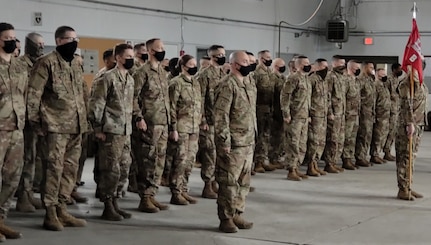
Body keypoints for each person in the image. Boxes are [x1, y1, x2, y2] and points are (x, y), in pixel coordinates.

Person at [27, 25, 87, 231]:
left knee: (70, 170)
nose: (74, 42)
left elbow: (82, 91)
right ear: (59, 40)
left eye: (76, 38)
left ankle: (62, 208)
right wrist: (36, 123)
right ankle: (50, 212)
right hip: (54, 127)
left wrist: (85, 119)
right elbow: (33, 95)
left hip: (76, 126)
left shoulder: (78, 62)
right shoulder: (46, 63)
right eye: (70, 38)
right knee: (54, 170)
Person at [88, 43, 135, 221]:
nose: (131, 60)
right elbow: (96, 104)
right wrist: (97, 128)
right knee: (110, 169)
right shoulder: (107, 78)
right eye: (127, 57)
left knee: (123, 168)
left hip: (125, 130)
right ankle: (107, 204)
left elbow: (131, 104)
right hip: (110, 131)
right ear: (118, 58)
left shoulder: (130, 79)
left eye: (132, 56)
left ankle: (115, 201)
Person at [214, 51, 255, 233]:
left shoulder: (249, 83)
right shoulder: (226, 85)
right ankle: (226, 218)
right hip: (233, 142)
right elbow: (221, 116)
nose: (248, 64)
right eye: (245, 61)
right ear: (235, 64)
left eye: (249, 61)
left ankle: (238, 212)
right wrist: (224, 141)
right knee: (228, 183)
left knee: (243, 182)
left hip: (248, 141)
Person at [132, 38, 170, 213]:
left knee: (159, 162)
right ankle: (144, 198)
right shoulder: (142, 72)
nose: (162, 50)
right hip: (149, 124)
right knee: (147, 161)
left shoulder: (162, 72)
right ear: (151, 51)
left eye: (163, 47)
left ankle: (152, 194)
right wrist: (138, 117)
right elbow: (133, 97)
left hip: (163, 123)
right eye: (159, 48)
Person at [0, 22, 28, 241]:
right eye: (7, 38)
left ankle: (0, 220)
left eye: (13, 37)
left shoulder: (19, 66)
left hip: (17, 129)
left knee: (12, 177)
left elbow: (25, 95)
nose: (11, 41)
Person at [16, 32, 45, 213]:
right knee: (26, 158)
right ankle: (22, 197)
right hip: (23, 118)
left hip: (37, 119)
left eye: (43, 44)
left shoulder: (40, 64)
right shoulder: (20, 64)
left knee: (34, 158)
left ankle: (27, 193)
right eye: (39, 44)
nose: (41, 47)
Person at [168, 55, 201, 205]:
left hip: (194, 127)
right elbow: (172, 107)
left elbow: (199, 105)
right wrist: (173, 128)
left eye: (195, 64)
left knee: (190, 161)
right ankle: (175, 192)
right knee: (180, 161)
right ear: (183, 66)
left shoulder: (195, 83)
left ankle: (184, 189)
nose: (194, 67)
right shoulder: (176, 83)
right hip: (181, 128)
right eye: (191, 64)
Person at [196, 44, 227, 199]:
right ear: (212, 56)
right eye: (219, 55)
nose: (222, 56)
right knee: (209, 153)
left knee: (220, 153)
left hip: (221, 121)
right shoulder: (204, 75)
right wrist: (202, 120)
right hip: (209, 120)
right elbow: (199, 99)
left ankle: (215, 181)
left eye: (223, 54)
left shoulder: (224, 74)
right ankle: (207, 185)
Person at [395, 66, 426, 200]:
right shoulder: (406, 85)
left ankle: (409, 186)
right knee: (405, 157)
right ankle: (403, 189)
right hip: (407, 127)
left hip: (418, 125)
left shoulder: (420, 83)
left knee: (411, 158)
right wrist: (409, 123)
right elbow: (406, 105)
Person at [280, 56, 311, 181]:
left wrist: (308, 115)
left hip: (304, 117)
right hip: (294, 117)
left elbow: (307, 100)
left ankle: (297, 168)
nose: (308, 65)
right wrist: (286, 114)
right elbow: (285, 97)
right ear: (298, 65)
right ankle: (291, 170)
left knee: (302, 145)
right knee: (293, 144)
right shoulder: (293, 78)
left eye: (308, 63)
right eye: (305, 63)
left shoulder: (307, 79)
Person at [92, 48, 116, 199]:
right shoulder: (102, 76)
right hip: (105, 124)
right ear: (106, 60)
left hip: (115, 125)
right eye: (114, 59)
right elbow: (97, 103)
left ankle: (108, 192)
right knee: (103, 161)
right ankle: (101, 189)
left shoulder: (116, 76)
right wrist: (98, 128)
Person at [303, 58, 329, 177]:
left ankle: (315, 164)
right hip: (314, 115)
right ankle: (310, 165)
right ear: (317, 67)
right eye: (324, 66)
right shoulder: (311, 80)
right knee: (313, 141)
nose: (326, 69)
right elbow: (307, 99)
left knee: (320, 142)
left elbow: (326, 99)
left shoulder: (324, 81)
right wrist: (308, 114)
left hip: (322, 115)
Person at [253, 50, 278, 173]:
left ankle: (263, 160)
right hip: (260, 108)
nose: (270, 59)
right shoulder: (256, 73)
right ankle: (257, 162)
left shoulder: (270, 72)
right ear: (261, 58)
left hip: (269, 108)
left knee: (266, 136)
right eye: (267, 57)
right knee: (260, 136)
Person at [323, 55, 347, 173]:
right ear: (334, 64)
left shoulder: (342, 77)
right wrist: (330, 112)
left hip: (341, 113)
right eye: (340, 63)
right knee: (332, 139)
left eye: (344, 63)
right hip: (334, 114)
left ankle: (334, 161)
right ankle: (329, 163)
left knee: (340, 139)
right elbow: (327, 96)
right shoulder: (330, 77)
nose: (343, 65)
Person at [355, 61, 376, 167]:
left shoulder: (370, 81)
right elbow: (357, 97)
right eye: (370, 67)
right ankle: (360, 157)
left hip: (370, 112)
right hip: (363, 112)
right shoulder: (360, 81)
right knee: (363, 135)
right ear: (364, 68)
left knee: (368, 135)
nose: (372, 69)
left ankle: (363, 155)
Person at [341, 60, 361, 170]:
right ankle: (345, 159)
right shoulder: (346, 80)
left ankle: (350, 157)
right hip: (348, 114)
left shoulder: (356, 81)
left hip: (355, 114)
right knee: (347, 137)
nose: (358, 69)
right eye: (357, 67)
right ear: (351, 68)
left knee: (353, 138)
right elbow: (342, 98)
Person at [369, 68, 391, 164]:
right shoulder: (375, 86)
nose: (384, 76)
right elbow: (373, 102)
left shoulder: (384, 86)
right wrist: (374, 115)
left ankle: (378, 153)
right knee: (378, 136)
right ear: (377, 75)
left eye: (385, 74)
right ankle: (374, 155)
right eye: (382, 75)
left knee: (383, 135)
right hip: (379, 115)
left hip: (386, 115)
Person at [269, 57, 287, 170]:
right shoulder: (272, 78)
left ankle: (276, 158)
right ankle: (272, 158)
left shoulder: (283, 78)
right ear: (276, 66)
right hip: (274, 110)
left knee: (280, 137)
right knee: (274, 137)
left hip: (281, 111)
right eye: (281, 65)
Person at [383, 63, 403, 161]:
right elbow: (386, 94)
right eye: (399, 69)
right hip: (390, 110)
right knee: (389, 131)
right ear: (394, 69)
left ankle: (388, 151)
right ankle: (386, 152)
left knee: (393, 132)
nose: (401, 71)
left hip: (396, 110)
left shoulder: (397, 80)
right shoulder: (388, 79)